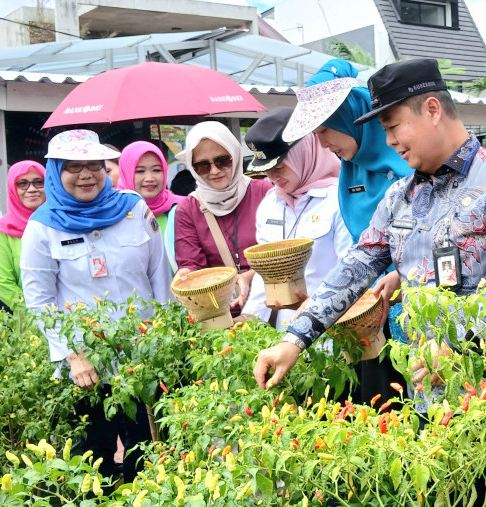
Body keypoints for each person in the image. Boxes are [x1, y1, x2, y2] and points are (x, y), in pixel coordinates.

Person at [257, 58, 486, 505]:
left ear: (432, 109)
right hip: (423, 392)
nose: (389, 141)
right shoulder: (400, 195)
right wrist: (295, 338)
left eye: (394, 126)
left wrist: (457, 344)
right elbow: (356, 266)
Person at [20, 129, 172, 484]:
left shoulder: (133, 208)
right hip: (86, 369)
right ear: (56, 173)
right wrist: (73, 355)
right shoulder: (42, 228)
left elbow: (159, 278)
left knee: (148, 454)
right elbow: (40, 303)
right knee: (95, 461)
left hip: (142, 360)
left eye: (94, 165)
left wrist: (164, 342)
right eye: (73, 167)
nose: (86, 174)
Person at [282, 59, 415, 403]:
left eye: (325, 130)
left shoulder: (412, 162)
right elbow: (366, 250)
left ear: (350, 117)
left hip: (422, 312)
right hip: (367, 307)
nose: (322, 143)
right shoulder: (350, 169)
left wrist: (402, 275)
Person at [241, 107, 351, 329]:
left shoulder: (340, 198)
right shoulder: (270, 205)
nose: (272, 177)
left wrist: (317, 310)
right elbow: (266, 275)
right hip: (286, 333)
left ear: (304, 152)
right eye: (266, 170)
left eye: (279, 167)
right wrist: (248, 320)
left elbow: (349, 273)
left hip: (335, 330)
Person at [173, 121, 272, 315]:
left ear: (235, 156)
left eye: (222, 161)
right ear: (192, 168)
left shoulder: (265, 193)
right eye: (202, 165)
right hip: (223, 317)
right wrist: (186, 275)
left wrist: (250, 276)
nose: (214, 171)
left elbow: (280, 249)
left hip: (271, 306)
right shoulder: (188, 209)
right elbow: (191, 264)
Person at [117, 141, 183, 270]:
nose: (150, 178)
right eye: (140, 171)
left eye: (157, 170)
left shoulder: (182, 207)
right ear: (126, 172)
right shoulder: (114, 212)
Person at [0, 160, 46, 311]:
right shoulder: (2, 230)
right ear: (12, 188)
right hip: (25, 322)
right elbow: (2, 283)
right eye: (22, 183)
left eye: (38, 182)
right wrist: (39, 315)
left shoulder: (62, 223)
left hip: (70, 317)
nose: (32, 189)